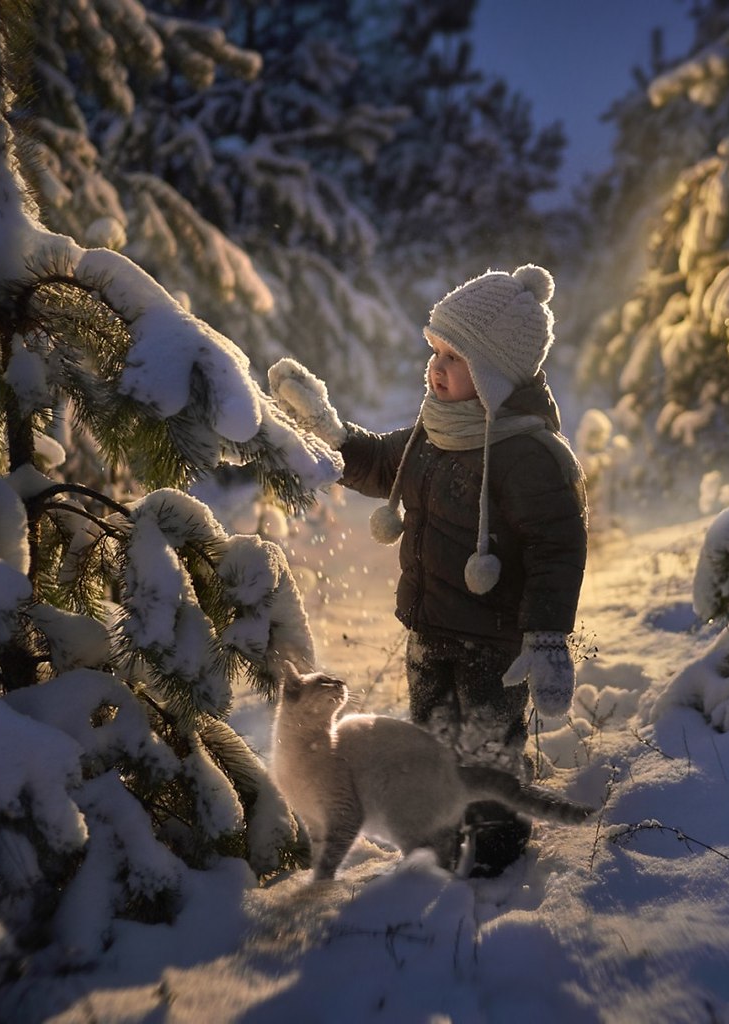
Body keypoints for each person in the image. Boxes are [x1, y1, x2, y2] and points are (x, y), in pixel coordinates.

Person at [268, 263, 588, 877]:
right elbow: (378, 464)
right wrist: (330, 431)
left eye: (455, 357)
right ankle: (442, 839)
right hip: (429, 629)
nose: (435, 367)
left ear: (495, 373)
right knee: (433, 744)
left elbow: (557, 550)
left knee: (488, 745)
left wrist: (546, 637)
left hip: (494, 641)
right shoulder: (432, 433)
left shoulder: (529, 456)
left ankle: (497, 853)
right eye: (434, 350)